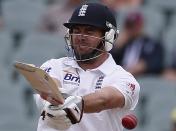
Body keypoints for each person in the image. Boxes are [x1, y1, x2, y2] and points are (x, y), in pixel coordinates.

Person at [34, 3, 140, 131]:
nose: (81, 37)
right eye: (76, 31)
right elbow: (51, 87)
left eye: (89, 31)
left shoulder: (124, 79)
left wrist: (68, 105)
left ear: (108, 36)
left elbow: (104, 100)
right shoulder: (54, 65)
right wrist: (54, 95)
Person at [111, 11, 164, 77]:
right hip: (120, 76)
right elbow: (109, 61)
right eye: (129, 26)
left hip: (142, 78)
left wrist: (144, 65)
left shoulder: (152, 44)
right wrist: (116, 48)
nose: (132, 29)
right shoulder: (122, 43)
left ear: (141, 26)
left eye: (135, 26)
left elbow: (157, 64)